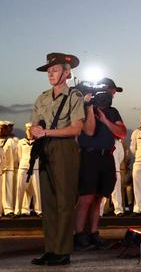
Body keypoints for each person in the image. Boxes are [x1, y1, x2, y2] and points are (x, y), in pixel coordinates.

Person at [30, 52, 85, 266]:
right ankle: (50, 249)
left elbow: (75, 129)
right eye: (49, 71)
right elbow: (34, 126)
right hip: (44, 148)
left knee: (64, 201)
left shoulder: (74, 97)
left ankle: (62, 251)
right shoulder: (42, 97)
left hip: (64, 148)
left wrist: (47, 132)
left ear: (67, 72)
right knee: (49, 201)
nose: (50, 74)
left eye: (55, 70)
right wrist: (34, 131)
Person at [74, 79, 127, 251]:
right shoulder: (83, 108)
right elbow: (88, 131)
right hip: (89, 156)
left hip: (107, 157)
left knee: (99, 197)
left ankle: (94, 233)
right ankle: (80, 235)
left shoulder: (113, 112)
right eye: (111, 91)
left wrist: (105, 120)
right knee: (86, 197)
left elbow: (122, 133)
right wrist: (90, 106)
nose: (113, 95)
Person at [14, 123, 42, 217]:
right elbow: (19, 155)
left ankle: (38, 210)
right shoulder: (21, 142)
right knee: (20, 189)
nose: (29, 131)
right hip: (23, 167)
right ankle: (18, 211)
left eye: (31, 129)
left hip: (35, 168)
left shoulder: (38, 142)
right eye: (28, 129)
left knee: (36, 190)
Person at [1, 120, 17, 217]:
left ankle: (8, 209)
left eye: (3, 128)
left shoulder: (12, 141)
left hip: (8, 168)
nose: (2, 131)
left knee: (8, 191)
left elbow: (16, 155)